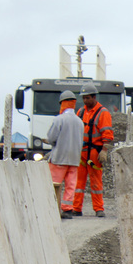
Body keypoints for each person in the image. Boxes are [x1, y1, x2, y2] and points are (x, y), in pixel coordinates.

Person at [74, 82, 113, 217]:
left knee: (96, 182)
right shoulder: (81, 112)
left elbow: (107, 133)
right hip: (82, 152)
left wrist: (104, 150)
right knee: (78, 182)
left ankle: (98, 209)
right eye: (83, 98)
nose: (85, 100)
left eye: (87, 98)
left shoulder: (103, 113)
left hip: (94, 153)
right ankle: (76, 208)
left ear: (94, 97)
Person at [46, 90, 84, 220]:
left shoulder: (59, 119)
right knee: (70, 186)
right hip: (74, 159)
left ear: (62, 103)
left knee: (54, 184)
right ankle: (67, 210)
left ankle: (51, 208)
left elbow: (51, 138)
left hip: (59, 158)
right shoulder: (79, 122)